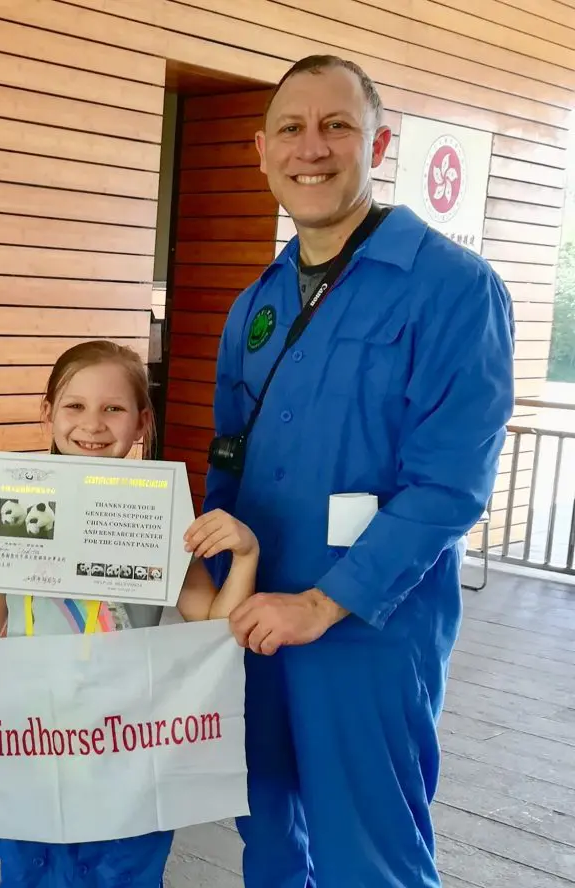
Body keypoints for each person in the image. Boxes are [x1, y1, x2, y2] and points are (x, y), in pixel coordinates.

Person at [202, 54, 515, 887]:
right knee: (267, 837)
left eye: (337, 125)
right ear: (261, 150)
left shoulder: (453, 290)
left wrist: (322, 603)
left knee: (368, 857)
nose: (314, 147)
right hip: (253, 623)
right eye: (292, 129)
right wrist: (207, 592)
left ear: (378, 143)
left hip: (369, 630)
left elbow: (451, 486)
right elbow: (227, 459)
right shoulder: (257, 303)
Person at [0, 339, 260, 887]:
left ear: (142, 423)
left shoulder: (157, 510)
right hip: (31, 740)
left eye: (113, 408)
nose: (92, 424)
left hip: (128, 750)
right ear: (47, 413)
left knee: (123, 871)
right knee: (29, 871)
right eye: (75, 406)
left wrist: (245, 557)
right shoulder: (17, 503)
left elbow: (212, 626)